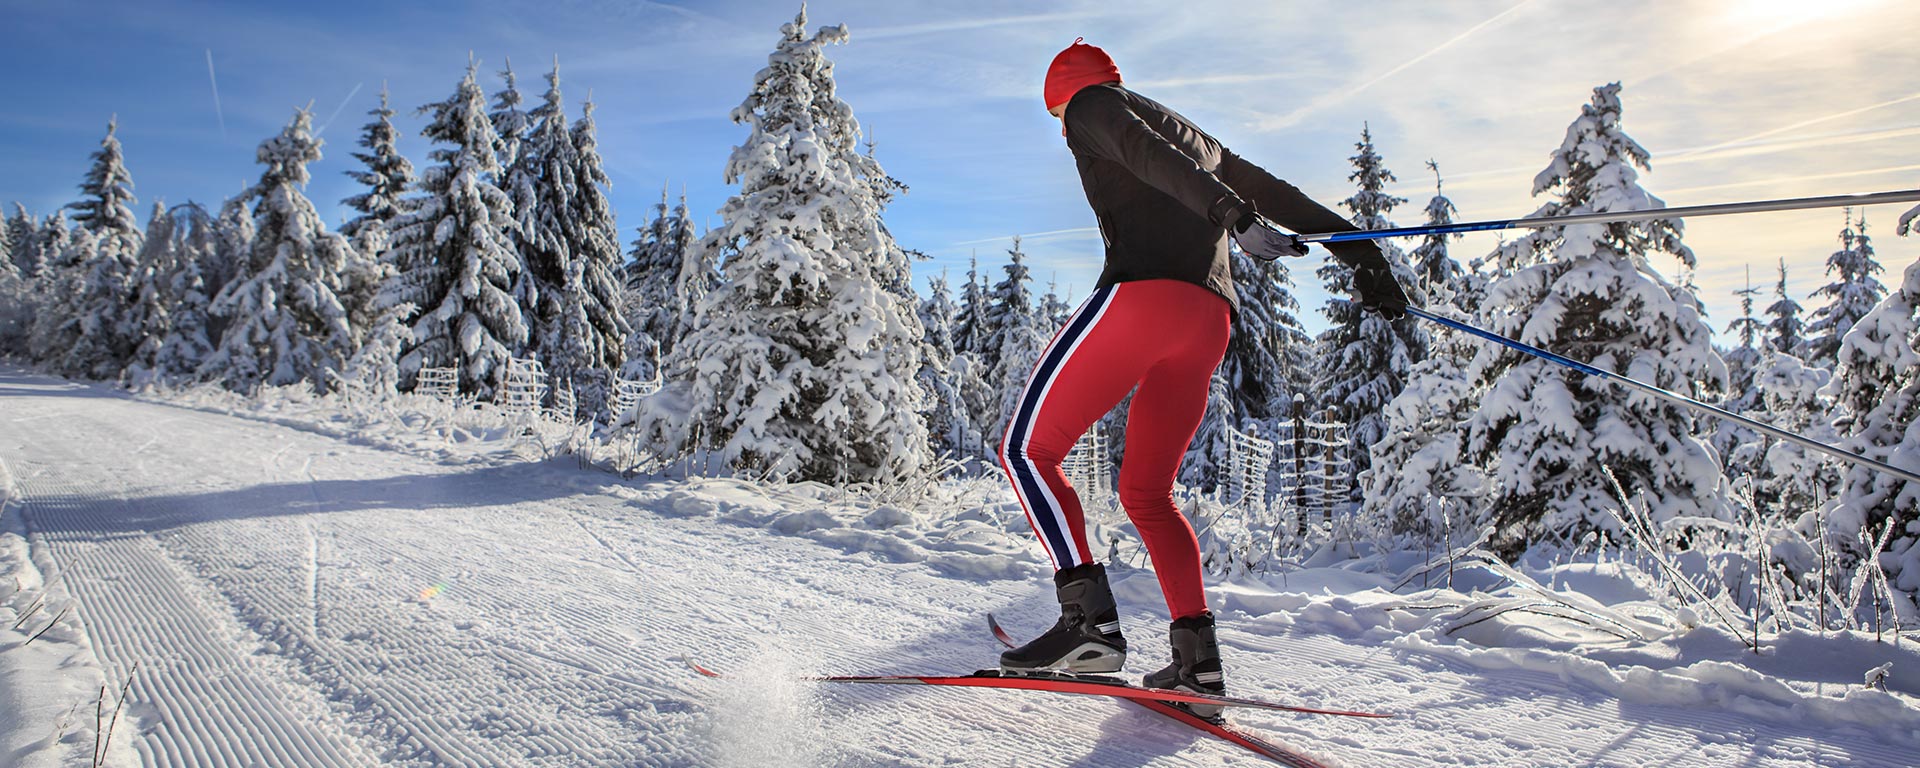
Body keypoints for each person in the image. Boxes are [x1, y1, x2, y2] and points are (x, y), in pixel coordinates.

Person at [996, 38, 1410, 716]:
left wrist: (1233, 216)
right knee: (1148, 494)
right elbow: (1279, 193)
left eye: (1057, 120)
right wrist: (1359, 252)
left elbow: (1142, 156)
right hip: (1208, 321)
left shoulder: (1091, 107)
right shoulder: (1197, 137)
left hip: (1143, 300)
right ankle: (1198, 664)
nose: (1064, 132)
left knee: (1027, 451)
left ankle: (1087, 628)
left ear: (1062, 98)